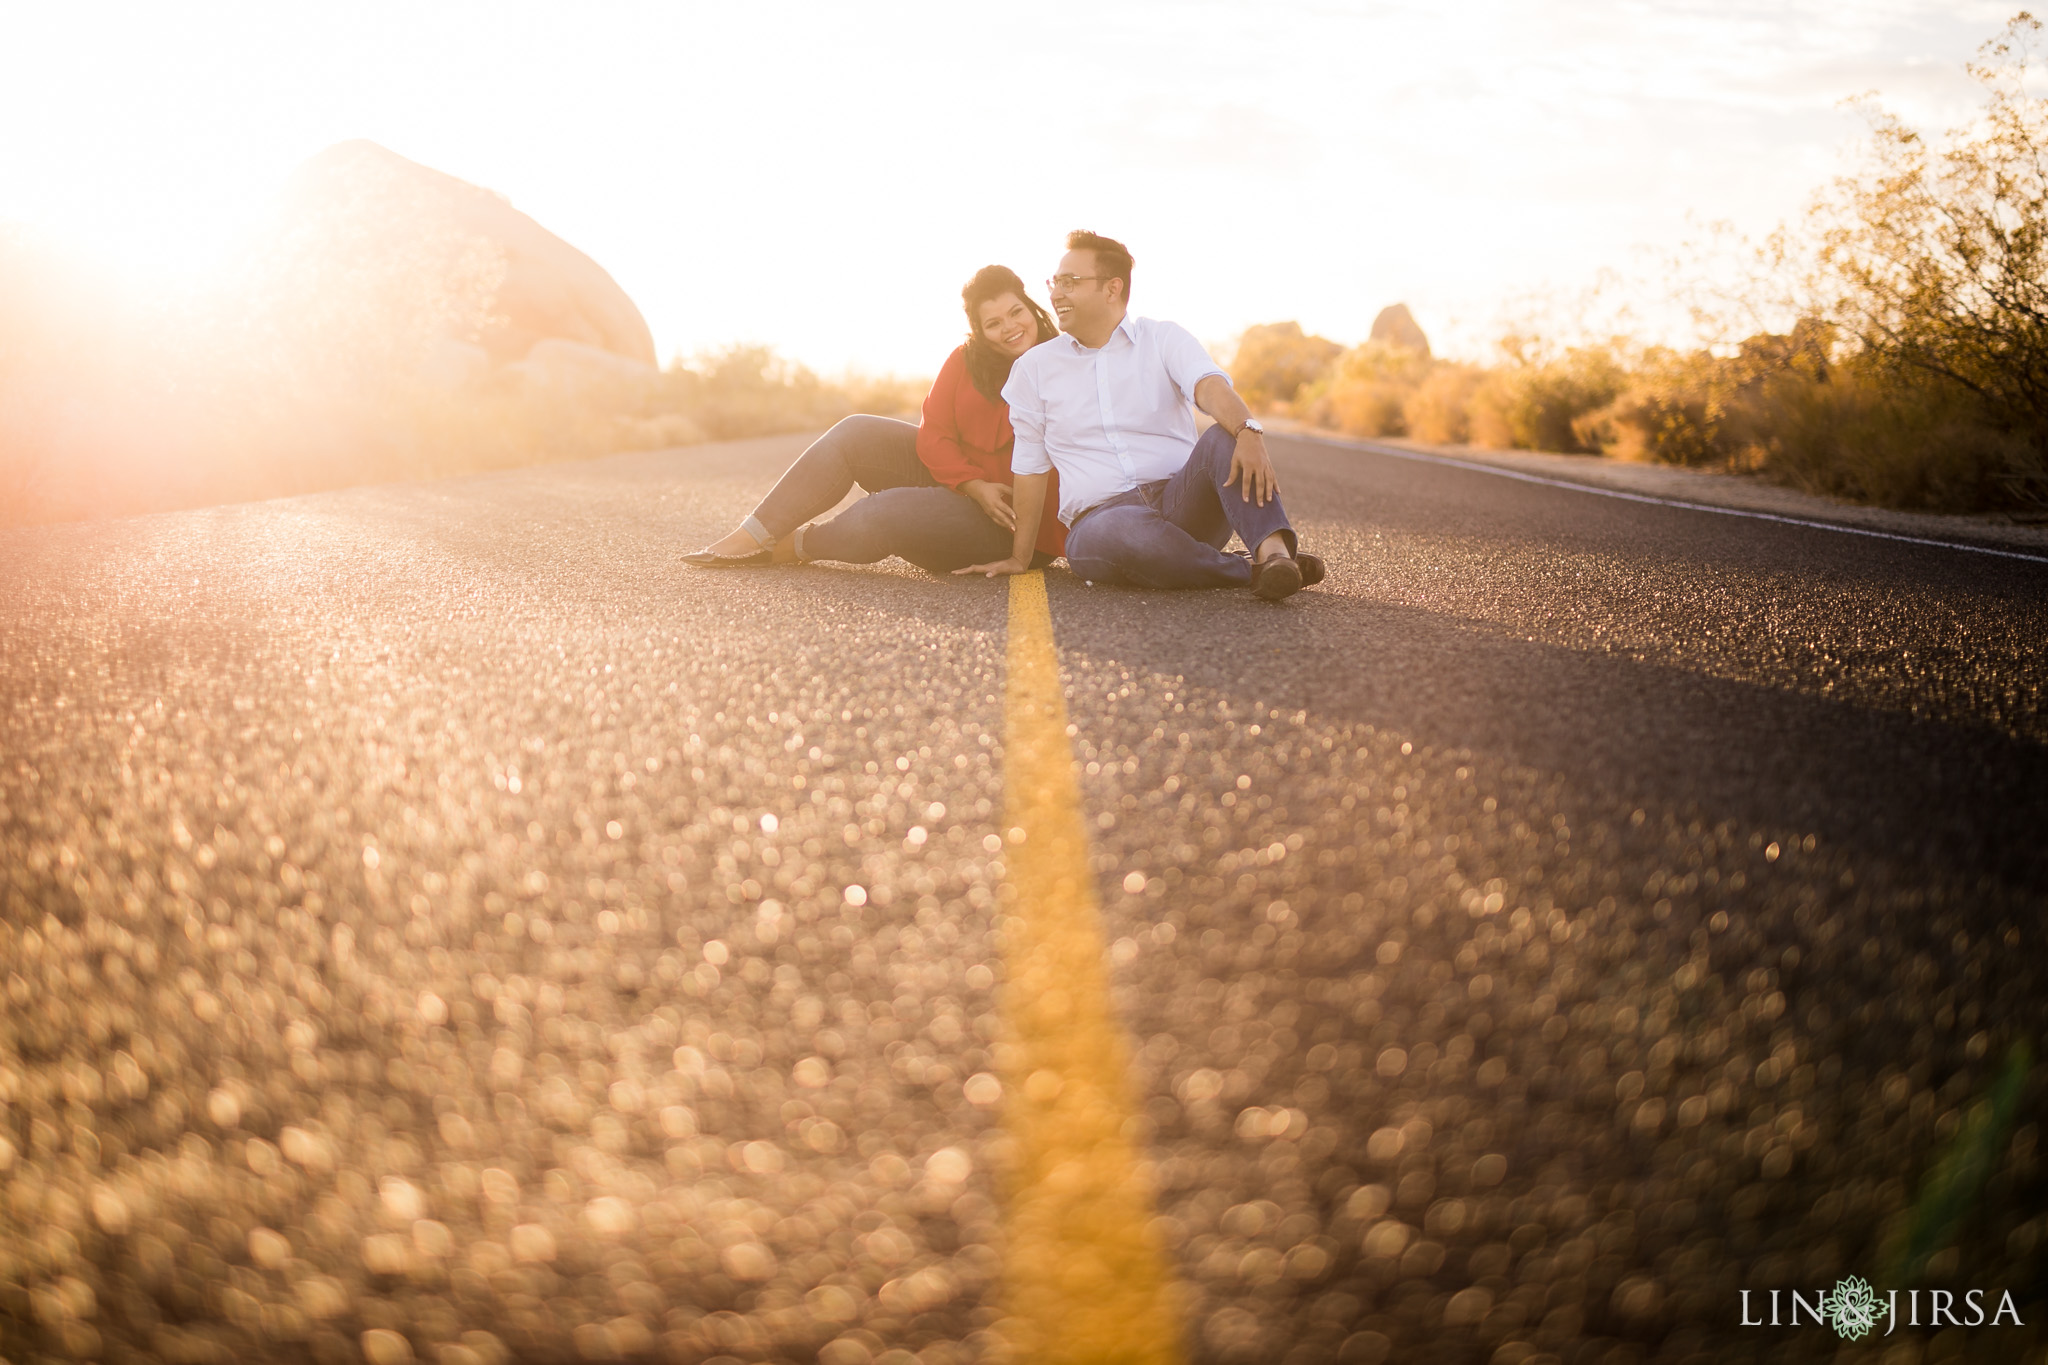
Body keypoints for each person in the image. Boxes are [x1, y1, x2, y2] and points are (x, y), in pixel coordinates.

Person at [957, 230, 1324, 601]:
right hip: (1100, 522)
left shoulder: (1162, 338)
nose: (1055, 294)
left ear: (1111, 288)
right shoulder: (1034, 368)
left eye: (1070, 282)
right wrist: (1020, 557)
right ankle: (1251, 571)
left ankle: (1276, 555)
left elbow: (1209, 386)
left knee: (1225, 436)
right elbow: (1030, 467)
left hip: (1181, 501)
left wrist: (1249, 431)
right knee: (1124, 531)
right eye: (1055, 282)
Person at [682, 266, 1065, 575]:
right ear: (979, 331)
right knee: (856, 430)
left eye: (1016, 312)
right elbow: (933, 434)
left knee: (884, 511)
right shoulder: (965, 360)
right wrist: (974, 484)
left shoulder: (1066, 362)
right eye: (993, 323)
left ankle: (794, 547)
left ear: (1031, 307)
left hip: (1013, 527)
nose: (1010, 327)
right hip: (964, 487)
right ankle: (753, 535)